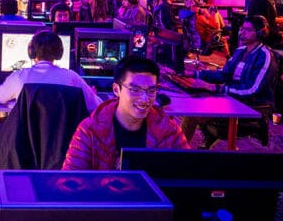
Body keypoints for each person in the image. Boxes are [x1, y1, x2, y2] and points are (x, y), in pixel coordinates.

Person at [62, 55, 190, 170]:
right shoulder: (90, 130)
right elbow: (70, 182)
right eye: (135, 90)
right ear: (116, 90)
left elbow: (188, 174)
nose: (145, 99)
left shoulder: (169, 130)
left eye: (151, 91)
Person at [180, 15, 278, 148]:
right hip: (231, 97)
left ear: (261, 33)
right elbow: (223, 75)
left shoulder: (264, 56)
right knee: (194, 101)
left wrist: (216, 89)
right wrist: (195, 74)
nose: (242, 33)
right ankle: (181, 149)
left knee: (192, 113)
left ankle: (177, 151)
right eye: (242, 29)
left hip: (251, 104)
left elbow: (252, 89)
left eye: (248, 30)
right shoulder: (240, 51)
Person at [0, 30, 101, 112]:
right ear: (60, 53)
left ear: (31, 52)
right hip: (64, 140)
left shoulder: (19, 77)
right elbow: (97, 106)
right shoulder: (72, 77)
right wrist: (91, 94)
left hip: (25, 140)